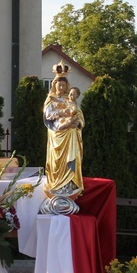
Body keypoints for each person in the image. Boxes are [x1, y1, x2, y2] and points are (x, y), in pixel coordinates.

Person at [43, 61, 84, 199]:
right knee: (56, 161)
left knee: (70, 159)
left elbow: (79, 115)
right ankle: (55, 183)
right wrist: (62, 114)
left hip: (70, 135)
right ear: (54, 85)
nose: (61, 87)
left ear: (67, 86)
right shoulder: (50, 100)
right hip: (56, 134)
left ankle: (69, 184)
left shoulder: (71, 99)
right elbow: (48, 115)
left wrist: (77, 122)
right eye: (58, 84)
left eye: (63, 85)